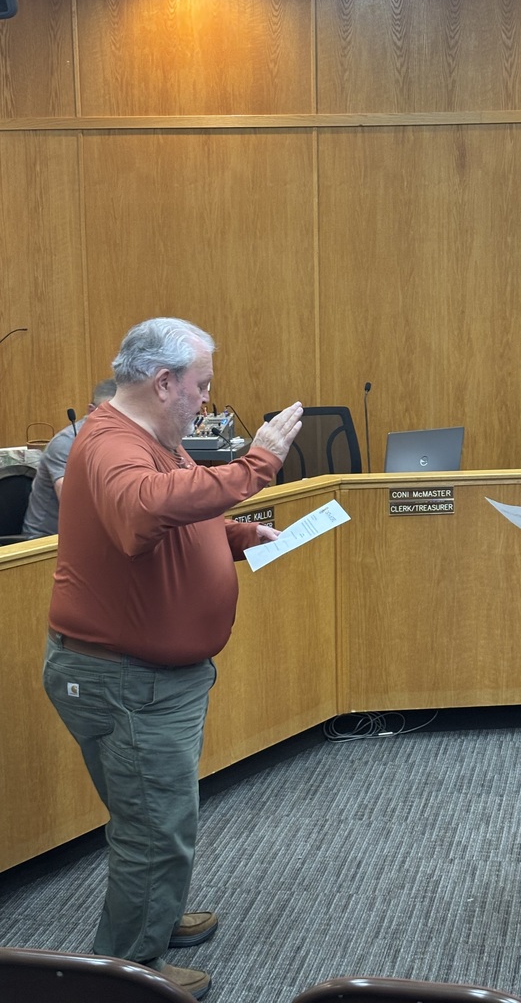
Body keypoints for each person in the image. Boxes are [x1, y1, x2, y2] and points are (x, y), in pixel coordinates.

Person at [42, 317, 303, 1000]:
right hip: (128, 681)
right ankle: (129, 973)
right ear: (164, 383)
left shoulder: (158, 439)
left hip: (152, 679)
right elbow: (141, 514)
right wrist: (257, 463)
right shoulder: (110, 444)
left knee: (156, 817)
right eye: (202, 385)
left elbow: (176, 516)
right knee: (154, 830)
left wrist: (235, 536)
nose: (207, 400)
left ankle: (153, 913)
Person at [22, 378, 117, 539]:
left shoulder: (123, 440)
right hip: (46, 541)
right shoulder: (65, 443)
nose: (120, 423)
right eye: (112, 415)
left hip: (91, 535)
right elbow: (74, 505)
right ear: (91, 411)